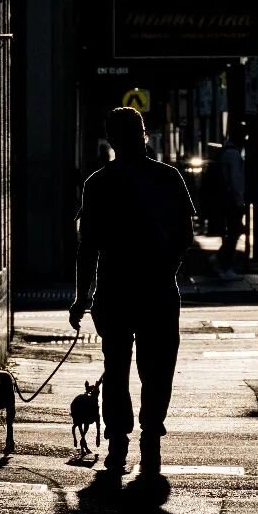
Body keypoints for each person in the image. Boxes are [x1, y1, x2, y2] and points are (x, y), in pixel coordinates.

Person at [68, 107, 196, 477]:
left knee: (117, 366)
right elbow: (185, 237)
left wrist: (81, 296)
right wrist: (165, 269)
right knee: (157, 369)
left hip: (115, 291)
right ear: (145, 134)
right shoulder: (168, 177)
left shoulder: (98, 183)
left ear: (111, 138)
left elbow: (87, 247)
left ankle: (118, 443)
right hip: (157, 291)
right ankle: (151, 437)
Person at [214, 125, 246, 280]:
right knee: (235, 231)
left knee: (233, 231)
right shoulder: (233, 155)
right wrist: (240, 201)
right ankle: (223, 262)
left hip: (225, 199)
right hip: (232, 200)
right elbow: (235, 181)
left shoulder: (225, 153)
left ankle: (222, 261)